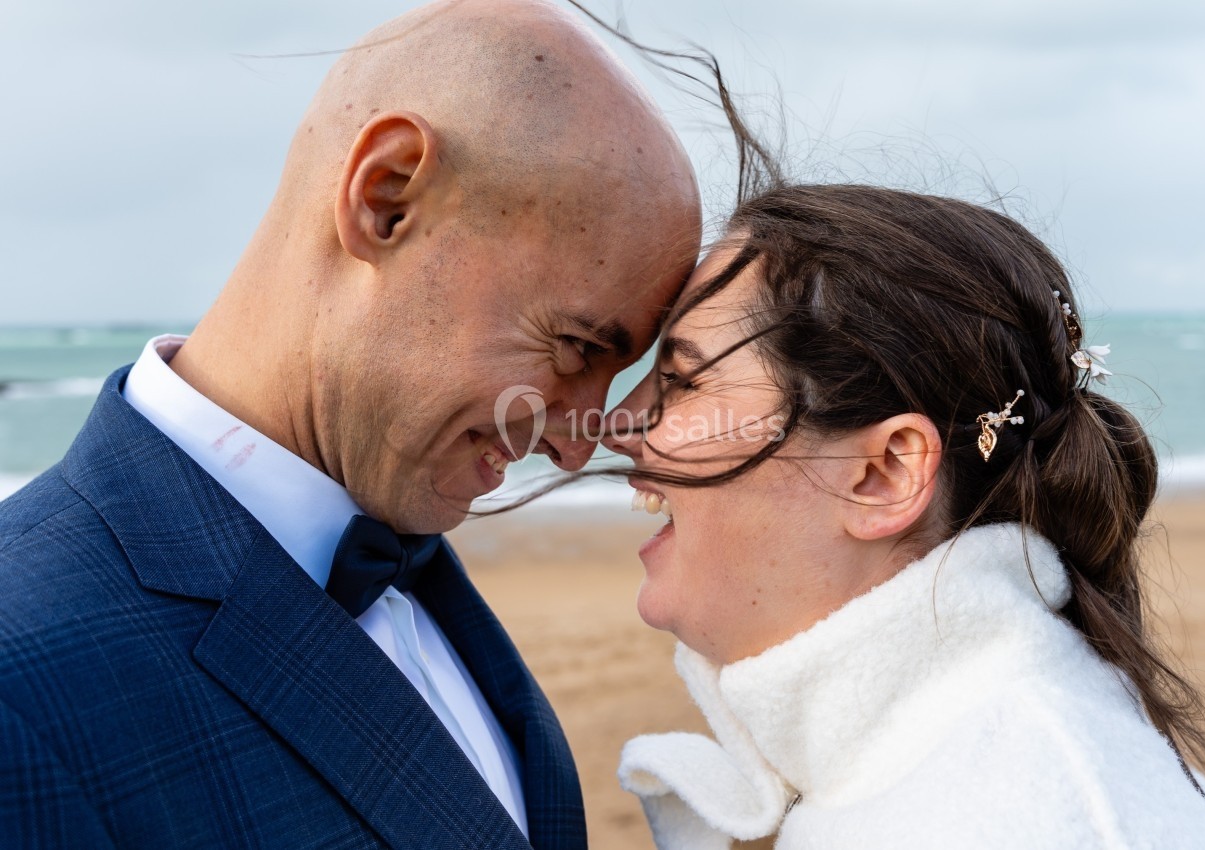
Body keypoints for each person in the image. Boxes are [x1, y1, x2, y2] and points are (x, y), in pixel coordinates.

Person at [0, 0, 699, 847]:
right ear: (387, 198)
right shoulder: (18, 684)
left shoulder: (411, 561)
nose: (575, 444)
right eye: (575, 346)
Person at [604, 184, 1205, 848]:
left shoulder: (1028, 816)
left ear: (883, 474)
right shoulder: (953, 766)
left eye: (683, 379)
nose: (617, 423)